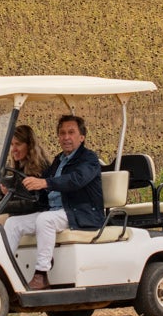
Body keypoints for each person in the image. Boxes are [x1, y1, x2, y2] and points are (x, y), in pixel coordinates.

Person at [11, 115, 106, 290]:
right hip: (58, 212)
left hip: (81, 212)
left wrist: (45, 183)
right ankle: (7, 273)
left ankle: (41, 274)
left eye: (71, 132)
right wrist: (15, 188)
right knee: (13, 223)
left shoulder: (89, 159)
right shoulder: (59, 160)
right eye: (62, 133)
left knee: (45, 220)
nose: (66, 137)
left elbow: (76, 180)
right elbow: (42, 183)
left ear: (82, 137)